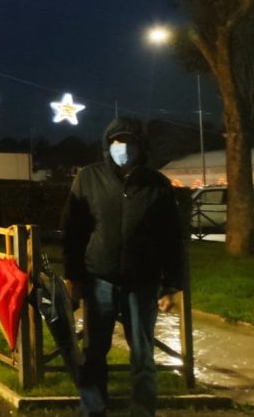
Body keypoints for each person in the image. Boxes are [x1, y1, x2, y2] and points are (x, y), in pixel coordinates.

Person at [61, 116, 183, 417]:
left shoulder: (159, 185)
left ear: (141, 146)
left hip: (143, 283)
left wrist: (173, 284)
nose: (123, 147)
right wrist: (73, 276)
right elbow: (73, 232)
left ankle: (142, 411)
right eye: (117, 141)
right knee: (93, 352)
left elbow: (172, 238)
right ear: (107, 145)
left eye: (129, 141)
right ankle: (93, 409)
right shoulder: (89, 178)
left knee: (143, 355)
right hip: (99, 279)